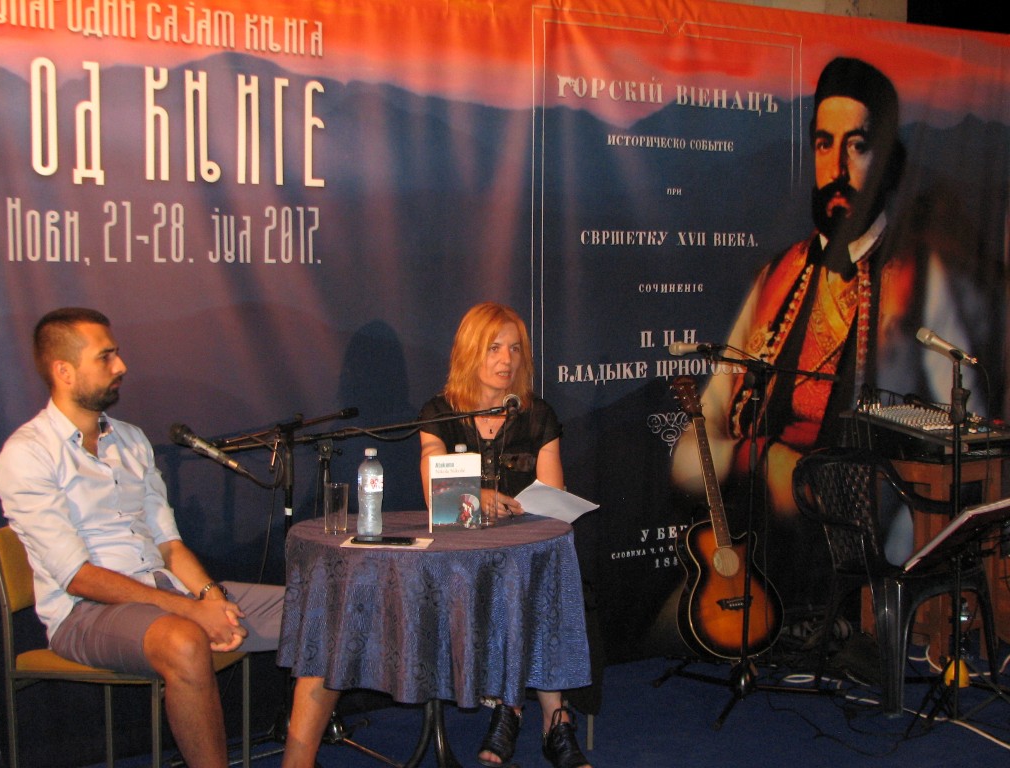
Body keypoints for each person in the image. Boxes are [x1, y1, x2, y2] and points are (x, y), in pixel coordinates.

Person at [669, 57, 980, 606]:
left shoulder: (920, 278)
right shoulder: (778, 276)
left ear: (887, 162)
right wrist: (756, 457)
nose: (836, 168)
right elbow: (695, 443)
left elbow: (963, 441)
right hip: (760, 549)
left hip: (869, 553)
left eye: (857, 146)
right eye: (823, 144)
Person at [0, 307, 338, 768]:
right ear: (64, 371)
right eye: (106, 357)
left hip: (167, 594)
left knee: (328, 611)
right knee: (185, 640)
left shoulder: (131, 440)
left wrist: (209, 597)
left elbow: (169, 545)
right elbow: (77, 577)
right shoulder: (27, 455)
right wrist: (192, 611)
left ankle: (298, 762)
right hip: (83, 613)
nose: (121, 366)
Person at [418, 302, 592, 768]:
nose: (506, 359)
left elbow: (552, 497)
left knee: (535, 569)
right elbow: (436, 493)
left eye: (515, 349)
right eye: (493, 348)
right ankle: (530, 711)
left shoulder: (538, 415)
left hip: (525, 545)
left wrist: (519, 510)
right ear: (469, 351)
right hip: (464, 552)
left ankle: (539, 714)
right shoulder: (440, 412)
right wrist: (478, 496)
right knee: (515, 579)